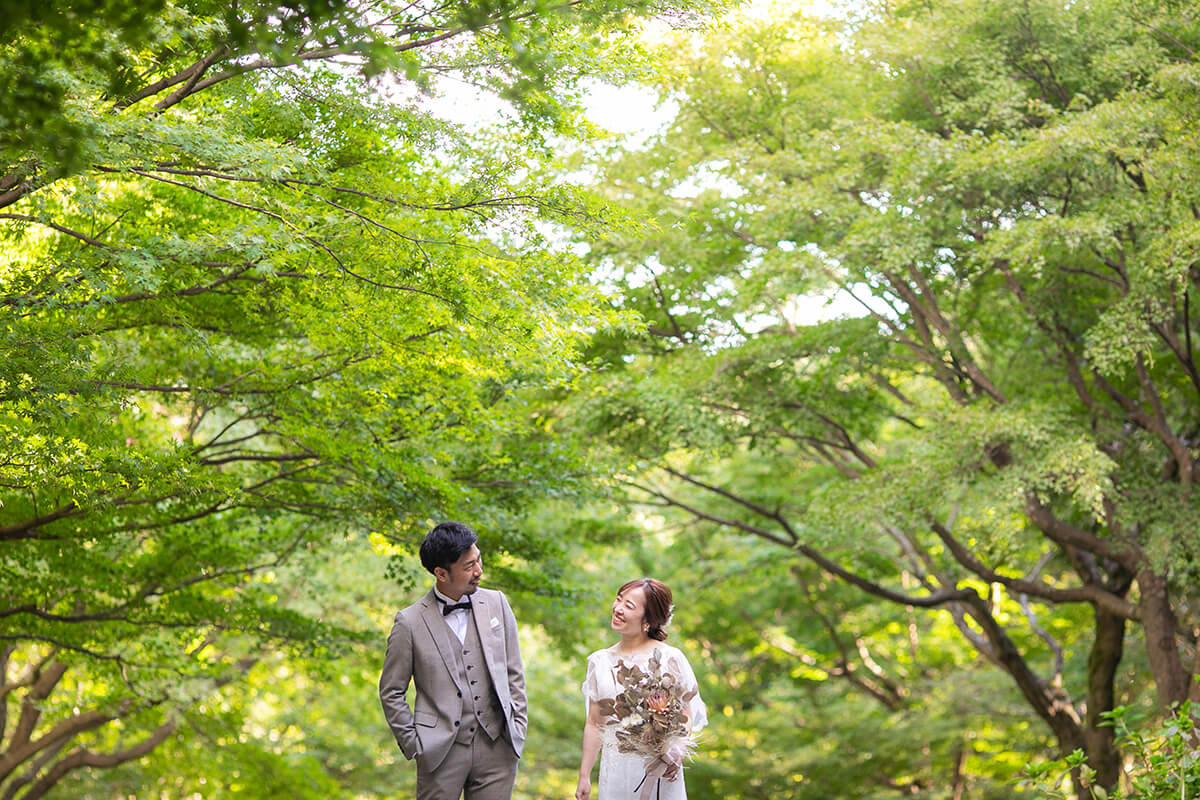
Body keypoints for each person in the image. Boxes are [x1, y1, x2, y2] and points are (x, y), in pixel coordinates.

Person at [379, 521, 527, 800]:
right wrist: (413, 744)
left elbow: (513, 671)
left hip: (498, 749)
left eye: (478, 560)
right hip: (439, 752)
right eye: (469, 566)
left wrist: (517, 726)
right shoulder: (409, 622)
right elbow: (391, 691)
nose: (479, 571)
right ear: (441, 573)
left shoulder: (497, 603)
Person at [576, 578, 707, 800]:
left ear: (648, 619)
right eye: (619, 600)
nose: (617, 609)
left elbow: (686, 714)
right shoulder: (600, 661)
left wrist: (675, 753)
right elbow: (594, 722)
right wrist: (584, 775)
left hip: (659, 769)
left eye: (629, 606)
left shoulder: (670, 658)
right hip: (614, 769)